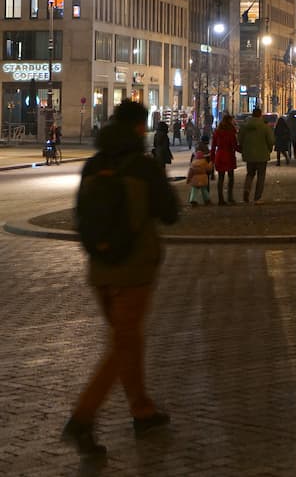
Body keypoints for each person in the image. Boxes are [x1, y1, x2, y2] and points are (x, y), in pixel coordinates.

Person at [61, 100, 178, 459]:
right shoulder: (143, 166)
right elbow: (171, 213)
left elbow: (81, 215)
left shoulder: (94, 164)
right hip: (134, 268)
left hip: (100, 268)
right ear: (140, 128)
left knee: (127, 339)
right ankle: (83, 417)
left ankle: (141, 409)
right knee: (123, 345)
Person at [237, 107, 275, 203]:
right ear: (260, 115)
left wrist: (244, 149)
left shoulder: (245, 126)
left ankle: (247, 189)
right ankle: (257, 197)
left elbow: (240, 139)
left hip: (249, 155)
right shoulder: (265, 127)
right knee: (261, 176)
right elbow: (271, 141)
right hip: (262, 155)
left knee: (250, 174)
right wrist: (269, 149)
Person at [210, 112, 238, 204]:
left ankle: (220, 199)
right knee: (231, 178)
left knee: (221, 179)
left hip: (220, 156)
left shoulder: (217, 132)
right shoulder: (231, 132)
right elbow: (234, 145)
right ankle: (230, 197)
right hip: (229, 155)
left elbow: (213, 147)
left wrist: (212, 159)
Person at [187, 140, 212, 207]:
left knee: (194, 190)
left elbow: (190, 172)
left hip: (195, 179)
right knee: (204, 190)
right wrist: (210, 164)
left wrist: (188, 179)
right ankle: (207, 200)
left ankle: (193, 200)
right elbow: (208, 168)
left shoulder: (193, 163)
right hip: (203, 178)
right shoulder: (204, 162)